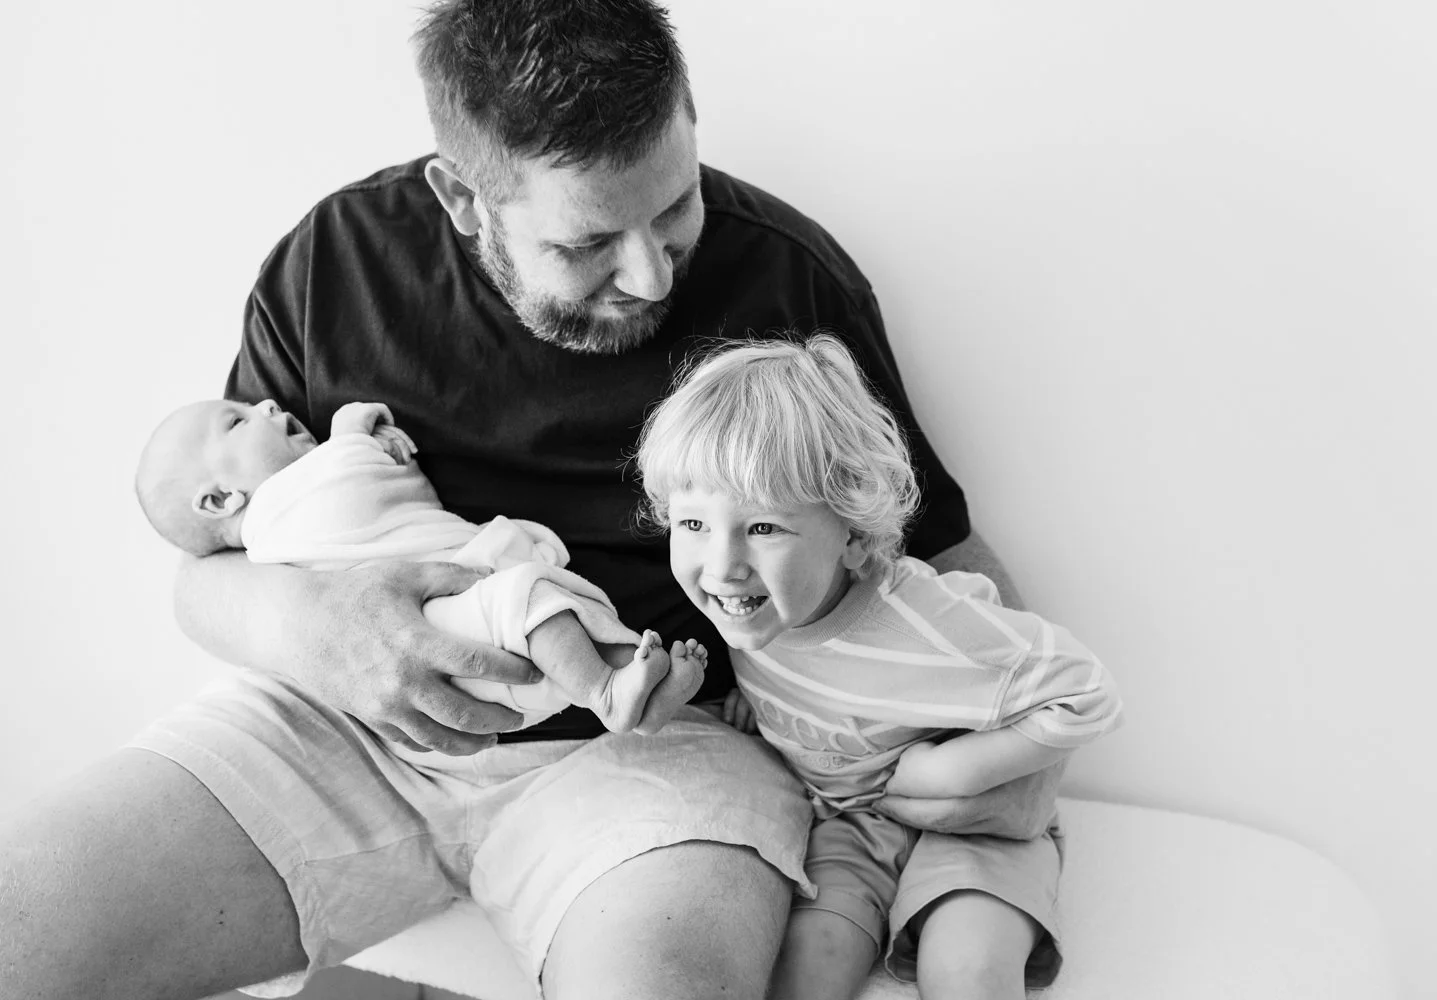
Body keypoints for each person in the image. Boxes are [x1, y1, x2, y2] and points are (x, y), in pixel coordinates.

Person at [0, 3, 1060, 998]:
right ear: (463, 198)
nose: (649, 274)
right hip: (345, 725)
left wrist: (1025, 762)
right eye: (588, 243)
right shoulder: (335, 265)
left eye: (675, 207)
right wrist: (304, 624)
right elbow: (210, 567)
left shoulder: (789, 282)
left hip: (657, 751)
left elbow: (941, 564)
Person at [637, 335, 1123, 999]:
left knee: (968, 972)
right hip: (850, 827)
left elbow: (1089, 691)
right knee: (806, 968)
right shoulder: (750, 613)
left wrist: (958, 770)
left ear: (855, 534)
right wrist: (757, 716)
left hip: (978, 824)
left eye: (763, 528)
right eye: (692, 524)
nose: (722, 564)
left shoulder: (925, 618)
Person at [135, 396, 706, 733]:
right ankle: (606, 693)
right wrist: (351, 429)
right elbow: (345, 489)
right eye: (237, 422)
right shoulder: (281, 515)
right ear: (219, 502)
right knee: (532, 598)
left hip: (469, 658)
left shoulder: (273, 534)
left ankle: (636, 693)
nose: (265, 404)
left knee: (565, 605)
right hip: (440, 645)